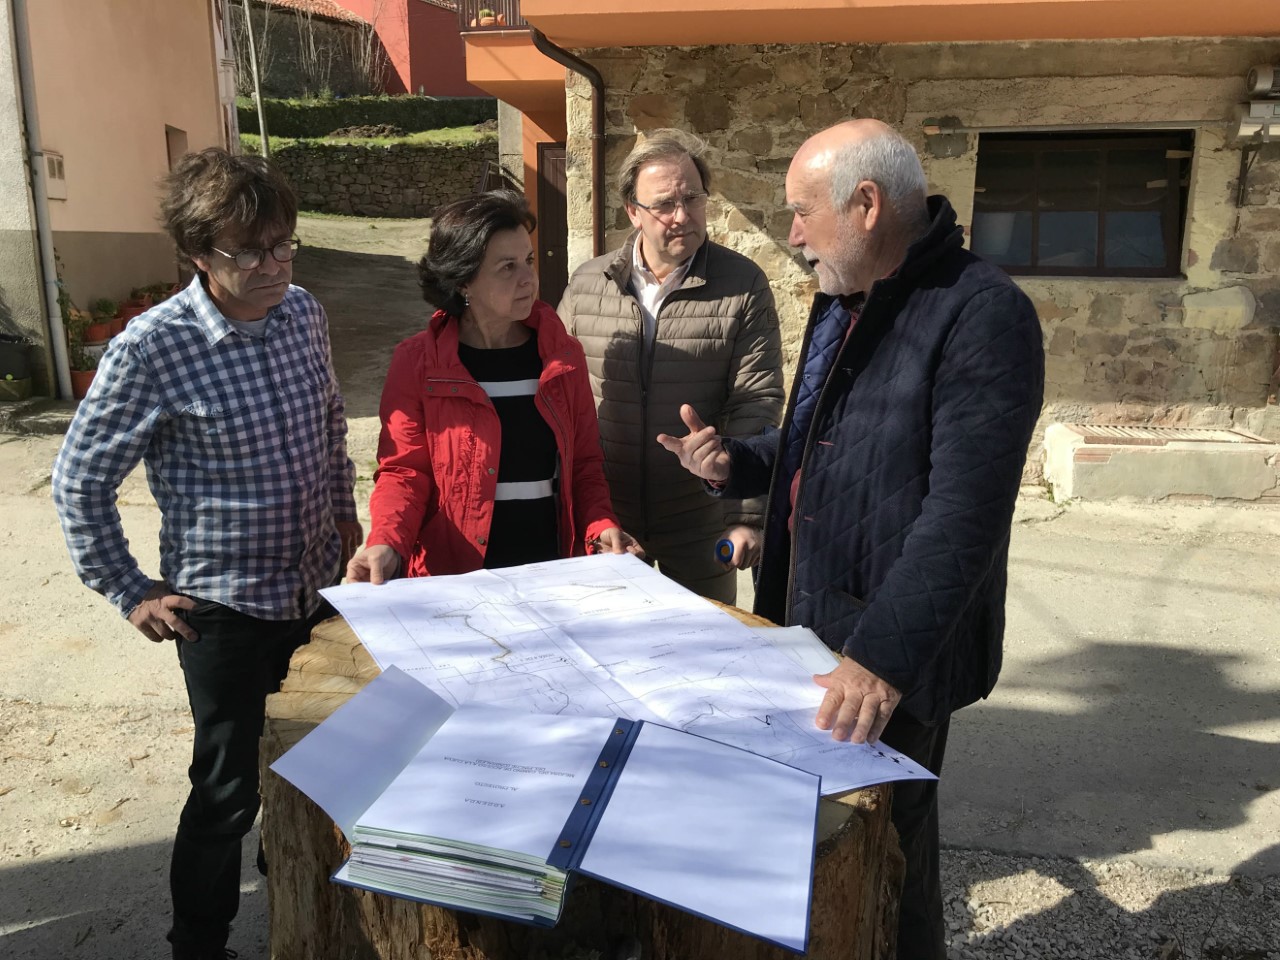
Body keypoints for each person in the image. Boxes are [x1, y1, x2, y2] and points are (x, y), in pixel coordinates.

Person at [657, 119, 1045, 959]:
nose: (792, 234)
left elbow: (964, 517)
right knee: (808, 864)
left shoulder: (983, 316)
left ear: (866, 204)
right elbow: (817, 451)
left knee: (887, 867)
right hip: (812, 638)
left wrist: (882, 661)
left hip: (887, 662)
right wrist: (734, 463)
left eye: (802, 213)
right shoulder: (845, 297)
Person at [51, 148, 361, 960]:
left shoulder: (303, 316)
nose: (272, 265)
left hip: (314, 590)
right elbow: (79, 481)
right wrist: (129, 589)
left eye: (284, 244)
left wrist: (346, 522)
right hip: (221, 611)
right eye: (249, 250)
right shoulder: (150, 349)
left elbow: (329, 431)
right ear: (197, 252)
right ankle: (200, 942)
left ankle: (293, 906)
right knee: (225, 791)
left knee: (308, 774)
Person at [346, 190, 639, 585]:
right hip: (455, 580)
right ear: (464, 279)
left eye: (529, 261)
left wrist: (600, 524)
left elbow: (584, 466)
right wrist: (387, 542)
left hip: (552, 572)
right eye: (507, 267)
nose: (528, 279)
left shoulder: (562, 357)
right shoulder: (419, 363)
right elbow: (404, 473)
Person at [558, 128, 783, 603]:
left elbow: (755, 402)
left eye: (693, 199)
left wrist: (744, 516)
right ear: (633, 212)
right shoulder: (586, 285)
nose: (682, 217)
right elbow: (558, 398)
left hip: (700, 521)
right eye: (664, 204)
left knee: (703, 659)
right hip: (609, 523)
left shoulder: (743, 284)